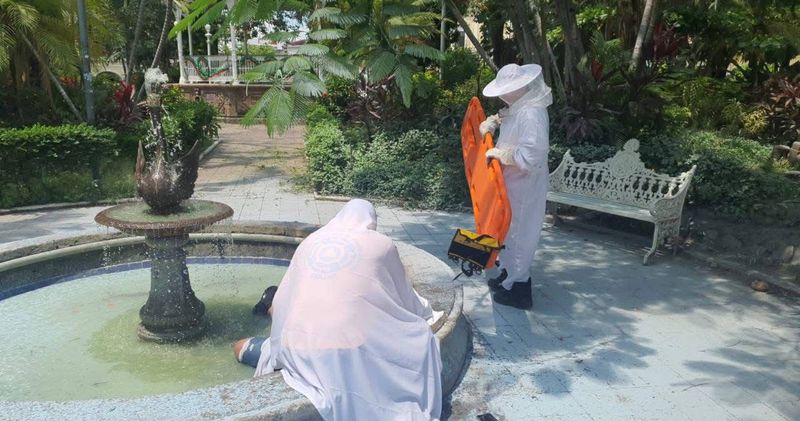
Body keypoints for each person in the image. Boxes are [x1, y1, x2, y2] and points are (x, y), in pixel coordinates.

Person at [234, 199, 443, 421]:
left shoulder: (310, 242)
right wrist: (425, 312)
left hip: (300, 350)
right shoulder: (381, 244)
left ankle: (261, 320)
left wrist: (277, 349)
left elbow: (285, 302)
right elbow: (405, 296)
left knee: (239, 346)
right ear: (371, 222)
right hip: (351, 347)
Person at [479, 63, 553, 310]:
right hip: (511, 182)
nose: (503, 94)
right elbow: (507, 120)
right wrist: (492, 123)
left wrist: (501, 154)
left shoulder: (532, 113)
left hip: (525, 184)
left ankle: (520, 289)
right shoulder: (520, 108)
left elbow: (532, 156)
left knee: (521, 233)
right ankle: (508, 275)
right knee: (508, 230)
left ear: (519, 87)